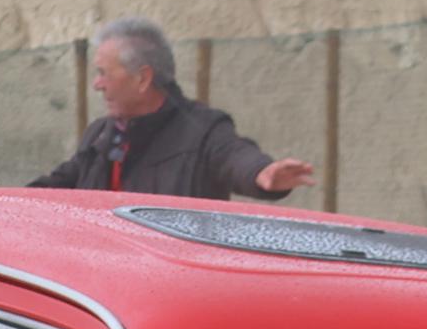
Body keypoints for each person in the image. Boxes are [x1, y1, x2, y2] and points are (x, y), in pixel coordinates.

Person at [28, 18, 315, 199]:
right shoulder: (100, 135)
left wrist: (261, 173)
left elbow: (235, 156)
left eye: (104, 73)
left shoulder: (203, 130)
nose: (97, 84)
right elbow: (57, 187)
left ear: (143, 78)